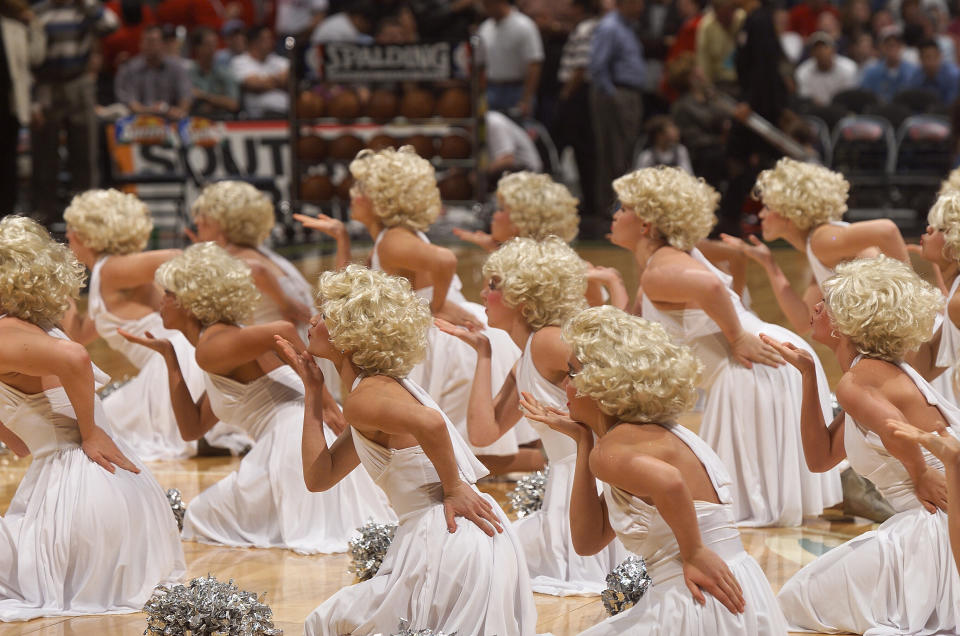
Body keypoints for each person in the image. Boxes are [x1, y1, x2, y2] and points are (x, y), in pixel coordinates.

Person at [278, 265, 536, 634]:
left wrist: (455, 487)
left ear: (348, 335)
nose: (313, 319)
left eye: (326, 315)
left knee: (328, 622)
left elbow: (430, 422)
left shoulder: (365, 398)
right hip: (466, 536)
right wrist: (313, 394)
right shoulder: (374, 392)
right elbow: (320, 477)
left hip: (447, 537)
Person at [519, 305, 789, 634]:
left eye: (572, 373)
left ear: (603, 383)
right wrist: (583, 441)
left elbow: (670, 482)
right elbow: (588, 542)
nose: (564, 383)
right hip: (739, 584)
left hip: (697, 594)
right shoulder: (657, 432)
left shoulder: (615, 449)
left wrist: (693, 554)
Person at [609, 166, 842, 526]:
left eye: (622, 208)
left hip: (754, 364)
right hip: (766, 359)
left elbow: (712, 287)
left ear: (645, 225)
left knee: (727, 511)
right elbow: (633, 324)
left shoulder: (661, 269)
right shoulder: (660, 264)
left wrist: (736, 337)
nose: (614, 215)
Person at [129, 243, 395, 553]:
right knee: (202, 514)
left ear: (190, 302)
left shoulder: (214, 346)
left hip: (291, 441)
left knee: (202, 517)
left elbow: (280, 329)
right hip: (298, 435)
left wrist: (327, 404)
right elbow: (192, 428)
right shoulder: (219, 346)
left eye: (170, 294)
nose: (162, 301)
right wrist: (170, 357)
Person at [0, 215, 184, 620]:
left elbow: (75, 357)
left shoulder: (7, 333)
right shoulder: (36, 325)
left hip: (79, 497)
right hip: (118, 491)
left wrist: (91, 433)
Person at [770, 256, 960, 634]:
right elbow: (821, 458)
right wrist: (809, 375)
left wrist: (920, 472)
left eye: (829, 303)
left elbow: (895, 430)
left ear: (847, 324)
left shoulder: (859, 382)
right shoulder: (870, 376)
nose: (817, 307)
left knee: (796, 602)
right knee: (798, 600)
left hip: (936, 523)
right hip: (932, 519)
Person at [437, 237, 627, 596]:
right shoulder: (527, 356)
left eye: (493, 285)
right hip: (565, 484)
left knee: (481, 563)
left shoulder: (549, 341)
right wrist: (483, 353)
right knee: (479, 558)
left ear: (522, 300)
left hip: (590, 479)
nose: (482, 292)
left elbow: (618, 390)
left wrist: (581, 432)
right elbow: (482, 433)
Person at [336, 148, 542, 473]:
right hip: (447, 337)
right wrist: (341, 241)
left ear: (382, 197)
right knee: (459, 453)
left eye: (361, 187)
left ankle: (558, 462)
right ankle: (553, 460)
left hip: (442, 344)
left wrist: (436, 304)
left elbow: (445, 259)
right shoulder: (393, 238)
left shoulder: (393, 239)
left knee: (456, 455)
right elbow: (351, 288)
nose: (352, 193)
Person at [62, 188, 249, 459]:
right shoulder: (108, 276)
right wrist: (57, 284)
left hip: (173, 363)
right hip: (175, 362)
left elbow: (174, 256)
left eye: (71, 229)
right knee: (94, 421)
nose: (67, 236)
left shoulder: (112, 269)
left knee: (91, 426)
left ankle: (202, 434)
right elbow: (77, 333)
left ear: (85, 235)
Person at [722, 158, 909, 337]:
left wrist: (914, 296)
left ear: (789, 210)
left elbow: (887, 230)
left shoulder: (822, 240)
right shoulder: (818, 246)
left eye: (768, 207)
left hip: (908, 329)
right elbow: (804, 321)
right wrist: (769, 263)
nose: (761, 215)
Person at [451, 171, 629, 311]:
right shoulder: (578, 266)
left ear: (519, 221)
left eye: (501, 209)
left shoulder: (503, 270)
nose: (494, 216)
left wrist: (497, 252)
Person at [31, 0, 117, 225]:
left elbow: (111, 25)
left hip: (79, 82)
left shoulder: (82, 9)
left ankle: (86, 215)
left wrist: (86, 3)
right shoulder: (39, 12)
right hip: (46, 85)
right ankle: (44, 214)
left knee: (85, 153)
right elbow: (30, 56)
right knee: (44, 154)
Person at [589, 0, 645, 217]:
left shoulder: (628, 26)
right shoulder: (609, 26)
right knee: (613, 153)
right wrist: (612, 95)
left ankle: (622, 206)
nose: (641, 7)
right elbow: (597, 65)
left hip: (630, 93)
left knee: (625, 152)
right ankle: (609, 208)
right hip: (615, 93)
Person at [556, 0, 599, 219]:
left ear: (579, 8)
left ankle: (590, 203)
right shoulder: (583, 28)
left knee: (582, 150)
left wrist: (565, 95)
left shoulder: (586, 29)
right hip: (577, 94)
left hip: (577, 95)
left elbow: (581, 67)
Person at [0, 3, 43, 215]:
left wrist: (34, 25)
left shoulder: (14, 28)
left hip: (10, 109)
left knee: (9, 167)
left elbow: (36, 57)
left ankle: (7, 219)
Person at [478, 0, 544, 116]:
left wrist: (526, 99)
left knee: (519, 130)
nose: (484, 8)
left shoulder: (524, 25)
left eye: (487, 4)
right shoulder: (485, 28)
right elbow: (481, 64)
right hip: (492, 88)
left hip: (516, 89)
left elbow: (535, 63)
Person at [114, 24, 193, 119]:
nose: (147, 45)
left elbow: (185, 98)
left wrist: (179, 111)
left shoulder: (177, 68)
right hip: (138, 123)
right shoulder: (129, 69)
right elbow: (132, 104)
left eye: (152, 42)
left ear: (163, 44)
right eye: (144, 41)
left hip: (171, 123)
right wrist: (158, 110)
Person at [231, 26, 288, 118]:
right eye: (267, 39)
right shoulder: (240, 61)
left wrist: (264, 81)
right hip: (261, 115)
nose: (271, 42)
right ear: (254, 42)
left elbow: (289, 79)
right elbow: (253, 84)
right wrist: (278, 82)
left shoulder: (278, 60)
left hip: (287, 110)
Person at [795, 31, 858, 106]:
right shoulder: (803, 71)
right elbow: (805, 98)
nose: (821, 51)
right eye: (817, 48)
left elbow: (850, 97)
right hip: (814, 110)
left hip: (842, 108)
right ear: (811, 53)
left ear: (834, 50)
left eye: (825, 47)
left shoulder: (849, 68)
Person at [188, 26, 239, 118]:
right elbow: (185, 101)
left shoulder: (225, 71)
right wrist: (219, 101)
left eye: (214, 44)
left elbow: (233, 104)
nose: (212, 49)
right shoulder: (188, 73)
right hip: (194, 120)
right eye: (208, 45)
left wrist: (204, 96)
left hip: (223, 120)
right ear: (197, 48)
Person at [859, 25, 918, 101]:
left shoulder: (913, 72)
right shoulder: (871, 72)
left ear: (902, 46)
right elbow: (865, 97)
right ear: (881, 47)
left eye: (896, 45)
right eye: (888, 45)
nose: (892, 49)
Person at [486, 110, 543, 177]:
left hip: (529, 174)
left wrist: (481, 173)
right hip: (515, 172)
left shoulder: (495, 122)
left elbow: (508, 160)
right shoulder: (488, 121)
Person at [907, 37, 960, 104]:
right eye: (927, 57)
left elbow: (951, 103)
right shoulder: (915, 76)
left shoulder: (953, 76)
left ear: (940, 56)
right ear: (920, 59)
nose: (931, 62)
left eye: (935, 57)